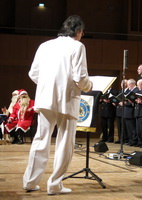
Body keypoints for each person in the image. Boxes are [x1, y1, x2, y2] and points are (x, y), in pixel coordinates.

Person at [23, 15, 93, 195]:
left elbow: (33, 73)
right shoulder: (78, 46)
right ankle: (54, 185)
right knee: (64, 142)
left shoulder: (44, 45)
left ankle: (30, 182)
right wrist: (89, 86)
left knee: (40, 139)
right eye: (81, 33)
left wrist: (48, 85)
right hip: (68, 100)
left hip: (45, 98)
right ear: (78, 32)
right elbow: (80, 77)